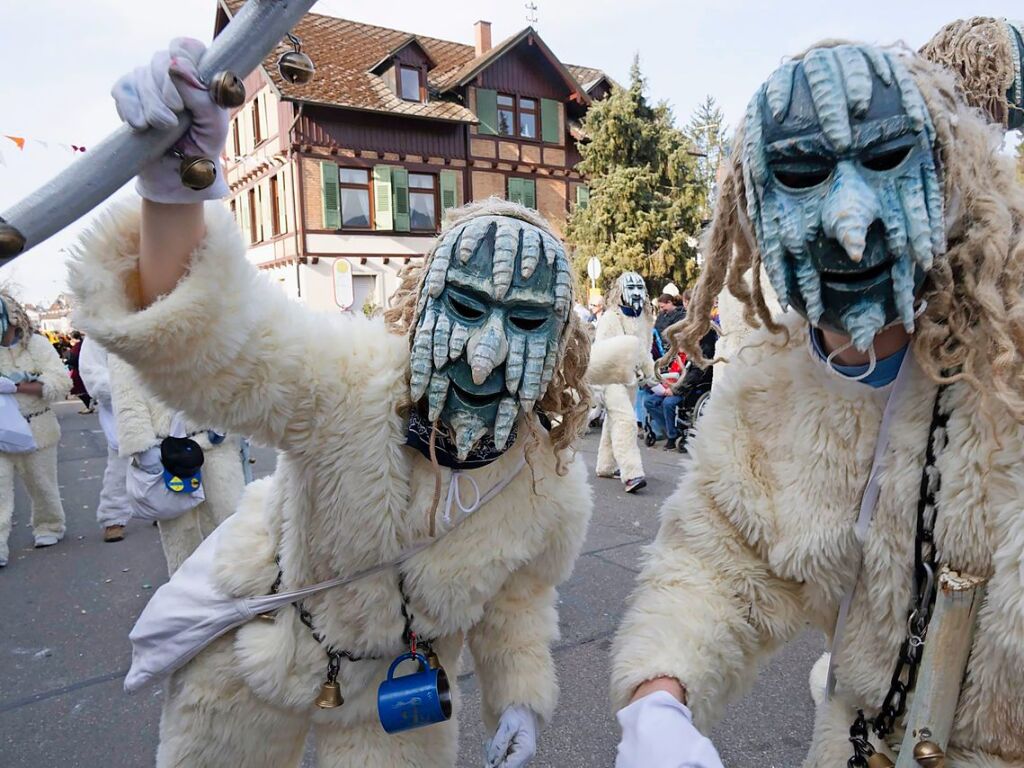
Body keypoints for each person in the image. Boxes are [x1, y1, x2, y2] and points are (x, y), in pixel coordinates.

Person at [68, 38, 593, 768]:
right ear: (418, 307)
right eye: (466, 309)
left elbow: (516, 604)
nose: (484, 357)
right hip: (264, 648)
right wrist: (178, 188)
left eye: (529, 322)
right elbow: (215, 345)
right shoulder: (350, 382)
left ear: (562, 350)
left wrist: (521, 699)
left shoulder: (546, 486)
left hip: (399, 695)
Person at [612, 40, 1024, 767]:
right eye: (803, 175)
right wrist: (658, 698)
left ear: (944, 176)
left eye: (887, 162)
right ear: (757, 213)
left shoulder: (1009, 363)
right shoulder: (767, 396)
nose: (849, 220)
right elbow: (715, 570)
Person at [108, 353, 246, 573]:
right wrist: (142, 449)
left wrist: (226, 421)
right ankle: (186, 593)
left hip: (214, 442)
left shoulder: (203, 323)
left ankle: (235, 589)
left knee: (230, 520)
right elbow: (127, 398)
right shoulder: (126, 336)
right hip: (166, 451)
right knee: (180, 531)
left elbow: (230, 373)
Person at [0, 290, 71, 567]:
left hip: (37, 426)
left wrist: (17, 386)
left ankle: (49, 525)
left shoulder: (37, 346)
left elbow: (59, 382)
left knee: (42, 485)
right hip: (2, 430)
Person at [591, 272, 654, 493]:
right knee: (626, 421)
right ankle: (632, 473)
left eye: (640, 287)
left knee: (615, 421)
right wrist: (598, 388)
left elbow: (645, 350)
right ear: (621, 291)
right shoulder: (610, 318)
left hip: (631, 381)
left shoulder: (645, 318)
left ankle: (605, 465)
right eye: (632, 287)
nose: (636, 292)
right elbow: (600, 352)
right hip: (611, 379)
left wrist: (651, 375)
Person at [77, 336, 132, 542]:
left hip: (156, 402)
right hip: (121, 407)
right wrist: (126, 387)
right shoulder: (98, 334)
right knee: (120, 463)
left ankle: (161, 507)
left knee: (163, 459)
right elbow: (92, 372)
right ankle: (113, 517)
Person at [66, 331, 93, 414]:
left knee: (77, 388)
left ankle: (89, 404)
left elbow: (75, 359)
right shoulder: (83, 344)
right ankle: (89, 403)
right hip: (84, 368)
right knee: (82, 388)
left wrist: (67, 361)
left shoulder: (77, 346)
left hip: (78, 370)